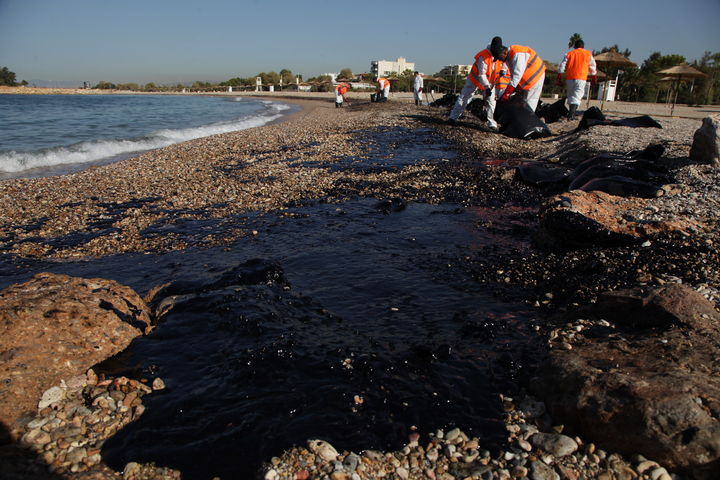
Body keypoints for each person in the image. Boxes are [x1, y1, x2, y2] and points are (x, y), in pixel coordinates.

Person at [448, 37, 510, 131]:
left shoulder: (500, 52)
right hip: (475, 79)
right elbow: (481, 75)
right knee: (465, 97)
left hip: (490, 81)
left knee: (491, 101)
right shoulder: (483, 56)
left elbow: (505, 62)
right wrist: (486, 87)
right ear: (493, 48)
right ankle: (453, 118)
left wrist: (503, 70)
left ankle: (492, 124)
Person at [491, 38, 546, 112]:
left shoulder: (517, 54)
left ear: (504, 52)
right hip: (528, 79)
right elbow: (513, 75)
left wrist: (507, 93)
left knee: (530, 100)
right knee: (522, 101)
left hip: (536, 76)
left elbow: (517, 75)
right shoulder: (508, 57)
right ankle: (524, 118)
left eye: (499, 57)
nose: (500, 60)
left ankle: (528, 120)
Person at [557, 39, 597, 120]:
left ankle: (571, 113)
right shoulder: (587, 54)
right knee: (577, 95)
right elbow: (592, 66)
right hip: (581, 77)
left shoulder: (569, 54)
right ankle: (571, 115)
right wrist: (593, 76)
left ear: (575, 46)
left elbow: (562, 65)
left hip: (569, 78)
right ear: (583, 46)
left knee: (571, 95)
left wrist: (559, 76)